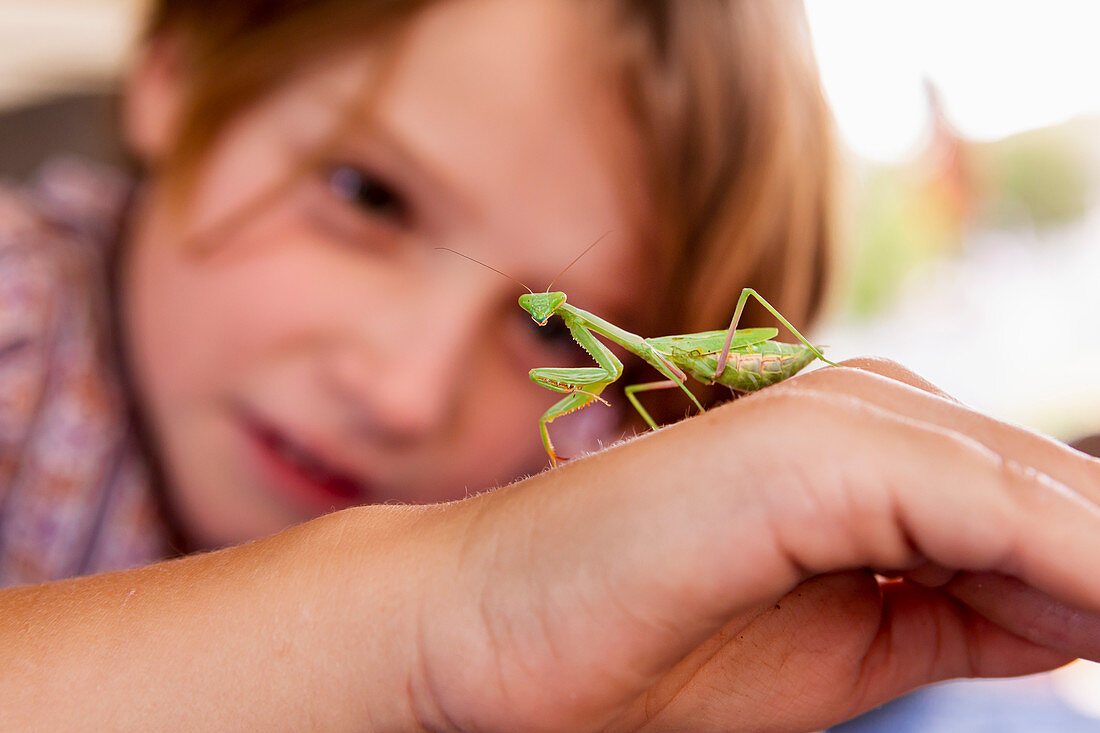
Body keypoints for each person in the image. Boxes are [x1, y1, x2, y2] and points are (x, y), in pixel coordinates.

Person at [1, 1, 1098, 730]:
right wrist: (448, 608)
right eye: (366, 197)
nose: (406, 389)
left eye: (540, 329)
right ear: (176, 72)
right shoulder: (24, 310)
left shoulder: (593, 464)